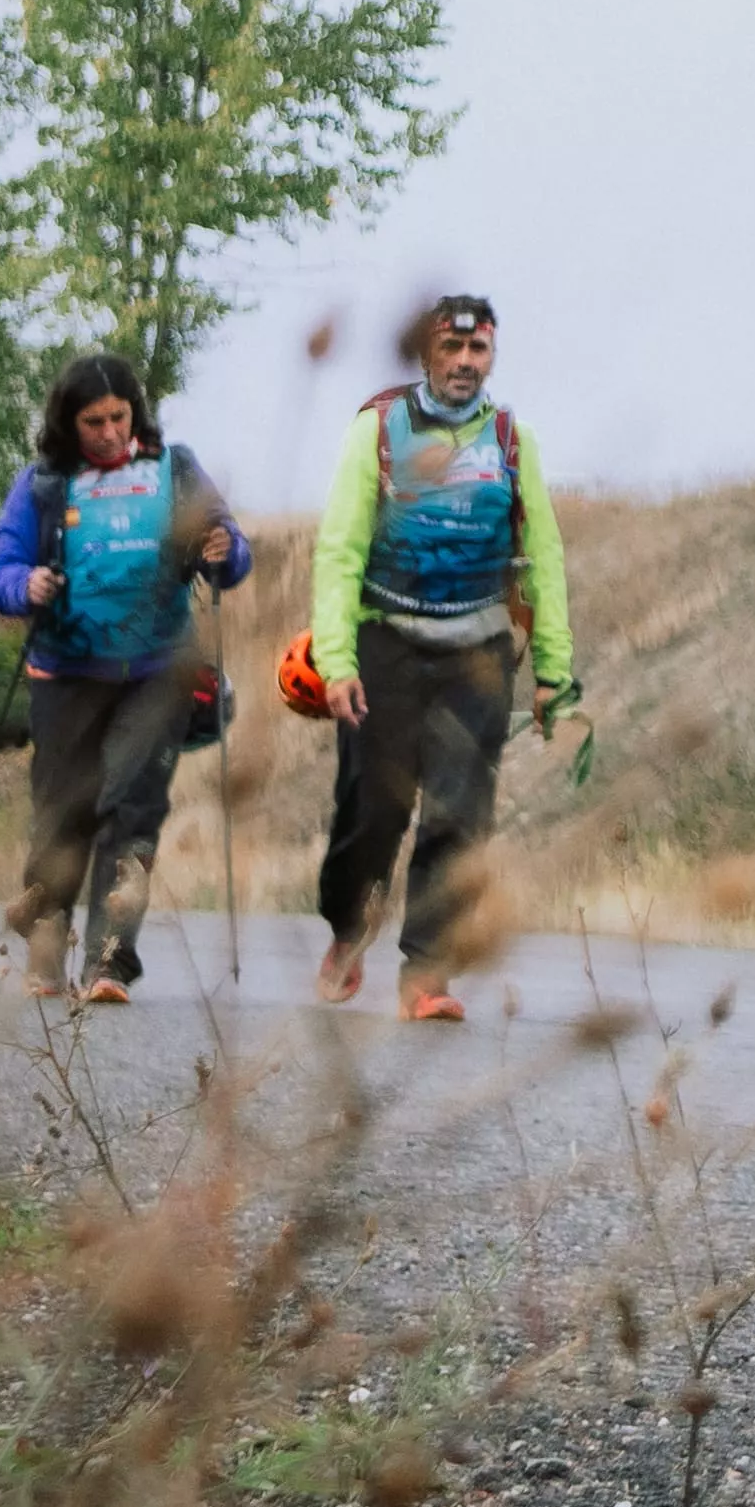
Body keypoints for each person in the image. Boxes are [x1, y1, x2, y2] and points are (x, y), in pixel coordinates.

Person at [310, 292, 576, 1021]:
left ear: (492, 354)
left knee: (460, 817)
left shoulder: (514, 442)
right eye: (451, 349)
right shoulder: (378, 431)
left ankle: (427, 973)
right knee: (374, 811)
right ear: (427, 353)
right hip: (384, 644)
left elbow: (543, 557)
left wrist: (554, 670)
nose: (464, 363)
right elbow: (339, 549)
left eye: (478, 350)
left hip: (478, 653)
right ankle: (348, 926)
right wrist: (336, 660)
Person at [0, 350, 252, 1004]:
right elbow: (1, 570)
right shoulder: (44, 485)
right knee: (61, 817)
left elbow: (231, 551)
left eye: (119, 416)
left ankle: (109, 961)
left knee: (132, 810)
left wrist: (224, 551)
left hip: (158, 668)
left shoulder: (174, 470)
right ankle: (46, 956)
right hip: (68, 671)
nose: (109, 432)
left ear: (136, 413)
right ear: (68, 424)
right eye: (94, 421)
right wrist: (27, 585)